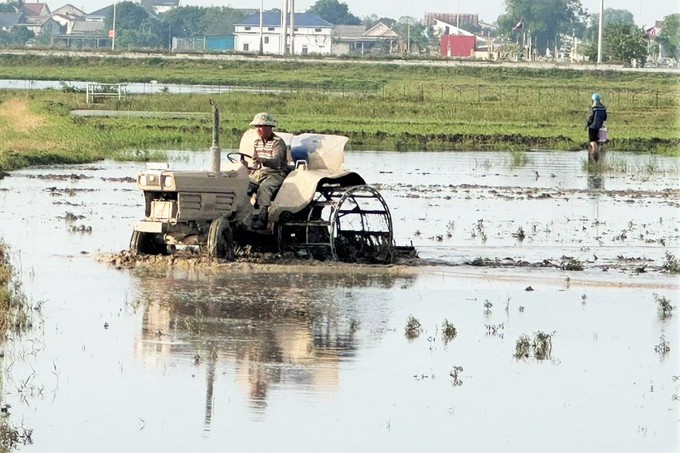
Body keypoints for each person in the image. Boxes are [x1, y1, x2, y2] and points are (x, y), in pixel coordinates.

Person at [246, 112, 288, 229]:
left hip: (276, 173)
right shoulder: (257, 142)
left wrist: (262, 160)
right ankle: (244, 211)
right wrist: (248, 168)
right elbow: (255, 163)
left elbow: (277, 161)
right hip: (260, 173)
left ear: (269, 127)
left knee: (265, 187)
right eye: (256, 126)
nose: (258, 129)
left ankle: (262, 216)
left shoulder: (277, 142)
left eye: (261, 126)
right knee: (244, 185)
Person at [585, 93, 607, 162]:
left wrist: (587, 124)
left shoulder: (593, 108)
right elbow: (605, 118)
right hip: (599, 126)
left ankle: (594, 154)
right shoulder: (603, 108)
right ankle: (598, 156)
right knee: (597, 140)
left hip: (592, 126)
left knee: (592, 141)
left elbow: (590, 118)